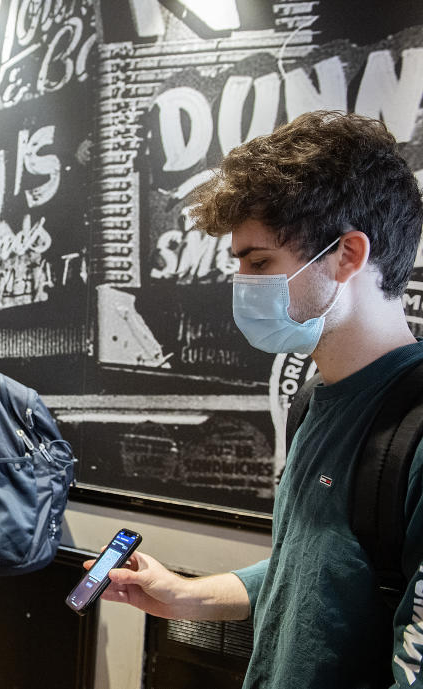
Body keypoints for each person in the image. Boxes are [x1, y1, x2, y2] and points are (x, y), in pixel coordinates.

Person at [96, 111, 423, 688]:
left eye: (260, 262)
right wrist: (189, 596)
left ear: (348, 255)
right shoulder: (315, 400)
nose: (244, 283)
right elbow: (315, 568)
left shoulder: (414, 433)